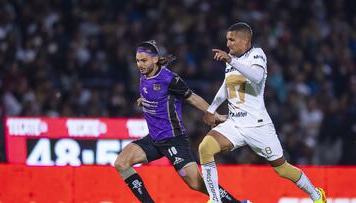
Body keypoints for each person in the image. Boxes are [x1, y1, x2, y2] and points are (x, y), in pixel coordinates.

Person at [198, 22, 328, 203]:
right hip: (235, 123)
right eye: (227, 40)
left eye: (232, 40)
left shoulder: (257, 55)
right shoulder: (232, 60)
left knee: (282, 169)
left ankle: (317, 195)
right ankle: (215, 200)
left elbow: (257, 77)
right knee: (205, 148)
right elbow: (227, 85)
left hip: (257, 125)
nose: (228, 44)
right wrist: (211, 109)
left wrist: (231, 60)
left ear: (245, 41)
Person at [114, 40, 249, 203]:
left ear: (155, 59)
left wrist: (215, 113)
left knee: (197, 184)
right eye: (137, 60)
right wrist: (144, 99)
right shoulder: (144, 76)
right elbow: (156, 94)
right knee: (121, 163)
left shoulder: (170, 79)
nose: (140, 65)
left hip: (174, 140)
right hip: (154, 139)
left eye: (144, 60)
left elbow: (192, 97)